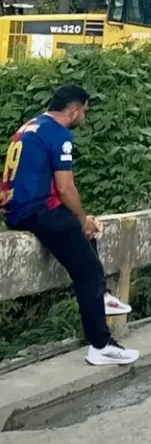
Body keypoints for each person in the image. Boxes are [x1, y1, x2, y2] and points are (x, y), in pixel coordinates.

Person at [1, 83, 137, 367]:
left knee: (84, 228)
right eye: (83, 112)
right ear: (73, 110)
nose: (83, 118)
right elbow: (65, 188)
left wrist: (82, 221)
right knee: (86, 273)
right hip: (37, 211)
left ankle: (104, 296)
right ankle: (100, 345)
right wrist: (82, 218)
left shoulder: (30, 126)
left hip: (13, 209)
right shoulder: (59, 135)